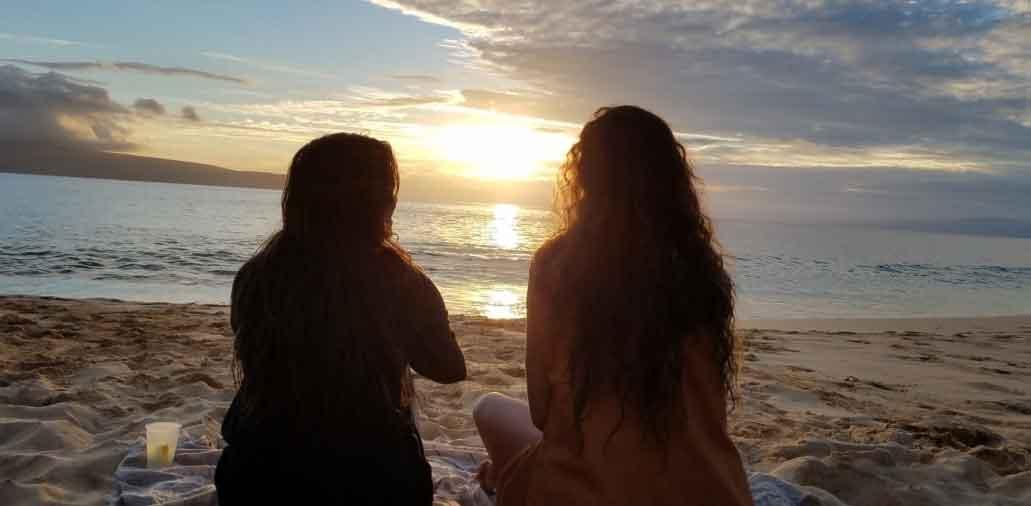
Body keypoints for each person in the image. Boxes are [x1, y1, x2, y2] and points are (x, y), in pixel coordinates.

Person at [473, 106, 752, 505]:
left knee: (488, 408)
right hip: (715, 490)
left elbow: (540, 410)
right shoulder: (701, 270)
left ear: (585, 175)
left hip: (589, 491)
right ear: (671, 180)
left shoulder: (557, 263)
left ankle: (501, 479)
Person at [215, 133, 466, 505]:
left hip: (257, 479)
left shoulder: (257, 275)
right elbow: (449, 367)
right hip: (374, 483)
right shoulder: (400, 279)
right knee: (399, 397)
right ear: (379, 202)